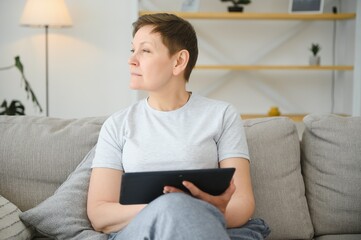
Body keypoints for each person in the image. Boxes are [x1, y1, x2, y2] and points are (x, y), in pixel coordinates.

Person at [87, 13, 270, 240]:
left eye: (145, 51)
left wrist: (198, 212)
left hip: (209, 228)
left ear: (179, 61)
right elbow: (100, 214)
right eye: (132, 50)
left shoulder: (221, 115)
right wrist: (170, 208)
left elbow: (242, 203)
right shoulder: (117, 125)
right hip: (142, 233)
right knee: (174, 208)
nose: (131, 59)